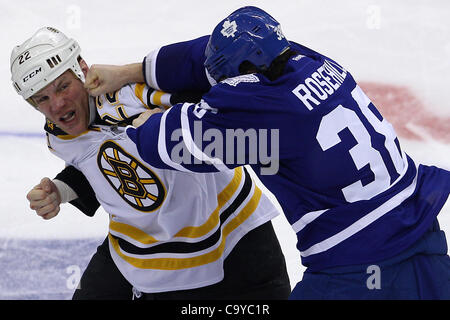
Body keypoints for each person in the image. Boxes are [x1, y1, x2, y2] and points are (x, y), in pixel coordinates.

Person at [85, 6, 450, 299]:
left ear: (244, 72)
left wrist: (144, 117)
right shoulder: (307, 59)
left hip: (357, 265)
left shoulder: (266, 120)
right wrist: (129, 71)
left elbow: (176, 145)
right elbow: (204, 57)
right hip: (424, 238)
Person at [11, 26, 291, 300]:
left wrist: (168, 122)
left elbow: (216, 89)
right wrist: (61, 189)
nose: (56, 105)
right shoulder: (58, 135)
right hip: (138, 249)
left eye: (63, 87)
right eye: (42, 99)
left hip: (235, 237)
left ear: (82, 70)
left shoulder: (133, 94)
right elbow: (102, 161)